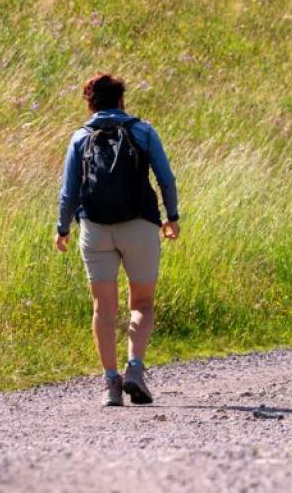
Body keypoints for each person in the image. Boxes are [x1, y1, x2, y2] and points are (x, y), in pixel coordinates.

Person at [54, 73, 180, 407]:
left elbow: (69, 192)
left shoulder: (81, 137)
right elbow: (166, 178)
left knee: (103, 307)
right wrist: (172, 216)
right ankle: (135, 368)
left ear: (90, 101)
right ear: (122, 99)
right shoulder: (143, 130)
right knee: (142, 303)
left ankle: (111, 384)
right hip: (139, 224)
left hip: (95, 228)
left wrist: (62, 229)